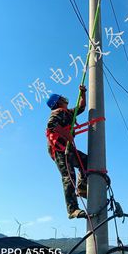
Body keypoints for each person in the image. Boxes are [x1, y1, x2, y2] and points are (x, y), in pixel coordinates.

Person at [45, 85, 89, 219]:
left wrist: (82, 93)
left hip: (67, 148)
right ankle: (72, 209)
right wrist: (66, 134)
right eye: (62, 98)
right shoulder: (58, 112)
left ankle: (81, 188)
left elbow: (81, 107)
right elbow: (51, 125)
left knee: (86, 161)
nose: (65, 99)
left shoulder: (68, 112)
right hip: (59, 149)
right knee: (68, 176)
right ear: (58, 102)